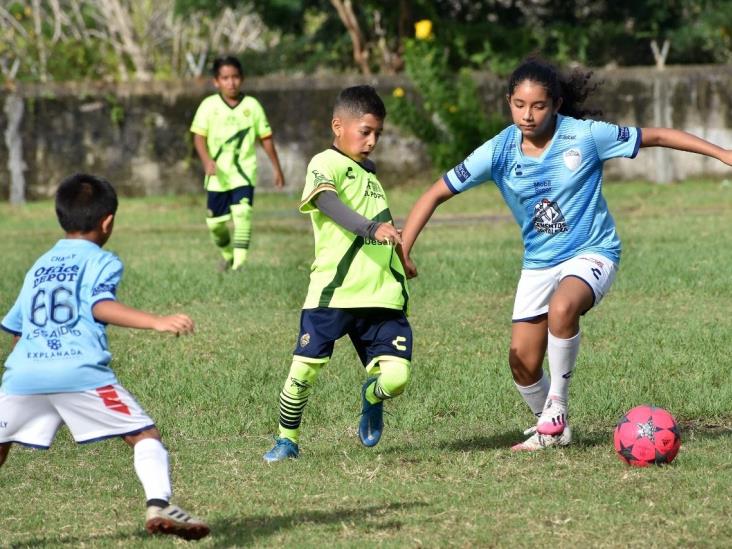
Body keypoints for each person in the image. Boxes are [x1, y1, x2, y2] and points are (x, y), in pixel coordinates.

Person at [400, 57, 732, 451]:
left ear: (556, 104)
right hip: (539, 262)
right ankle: (552, 431)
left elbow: (655, 136)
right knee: (522, 364)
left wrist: (724, 154)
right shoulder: (498, 151)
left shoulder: (586, 136)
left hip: (593, 252)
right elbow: (436, 192)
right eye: (519, 105)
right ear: (509, 102)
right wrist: (404, 251)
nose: (528, 114)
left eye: (538, 106)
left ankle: (556, 406)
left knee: (562, 308)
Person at [0, 174, 210, 540]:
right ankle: (159, 504)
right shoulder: (102, 261)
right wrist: (157, 322)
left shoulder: (39, 266)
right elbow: (99, 305)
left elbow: (19, 330)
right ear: (108, 221)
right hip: (79, 373)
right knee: (144, 434)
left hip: (24, 374)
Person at [263, 85, 412, 462]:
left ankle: (371, 395)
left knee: (397, 378)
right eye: (365, 131)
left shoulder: (372, 178)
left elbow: (384, 224)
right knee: (303, 374)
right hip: (334, 294)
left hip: (381, 294)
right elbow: (327, 203)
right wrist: (369, 229)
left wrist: (401, 255)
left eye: (378, 133)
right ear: (337, 126)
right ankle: (287, 440)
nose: (372, 141)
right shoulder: (323, 163)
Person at [191, 55, 286, 270]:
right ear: (216, 81)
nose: (230, 82)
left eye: (235, 77)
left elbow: (266, 138)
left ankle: (239, 265)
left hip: (244, 173)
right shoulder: (209, 106)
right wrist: (207, 161)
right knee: (215, 224)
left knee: (243, 214)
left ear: (241, 79)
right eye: (225, 78)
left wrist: (277, 169)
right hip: (218, 176)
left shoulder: (252, 106)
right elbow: (198, 137)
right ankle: (227, 256)